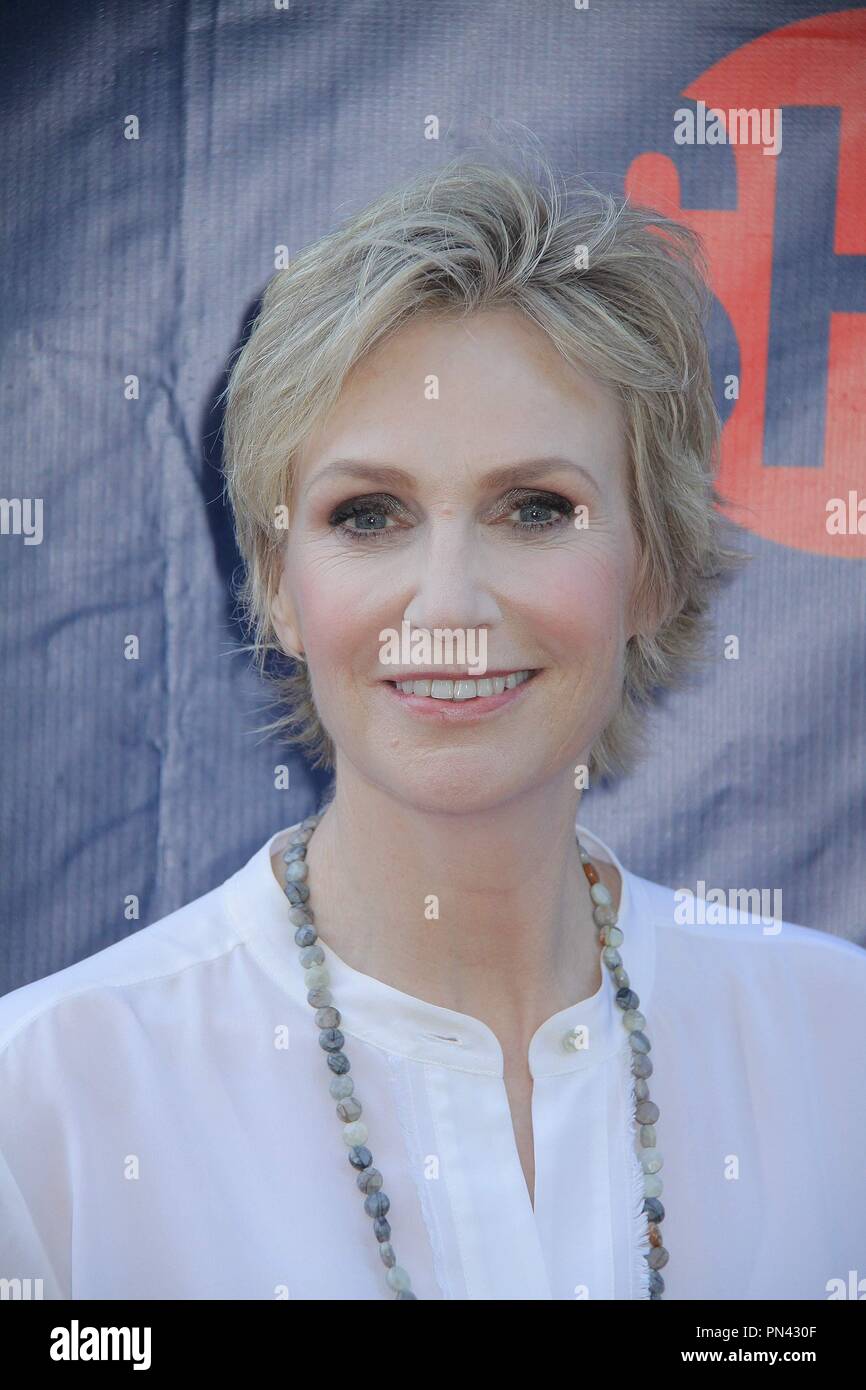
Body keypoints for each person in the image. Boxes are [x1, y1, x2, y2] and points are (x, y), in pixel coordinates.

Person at [2, 157, 864, 1301]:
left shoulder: (834, 1043)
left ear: (649, 569)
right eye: (368, 515)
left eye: (535, 509)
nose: (449, 605)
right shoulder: (46, 1097)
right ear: (275, 585)